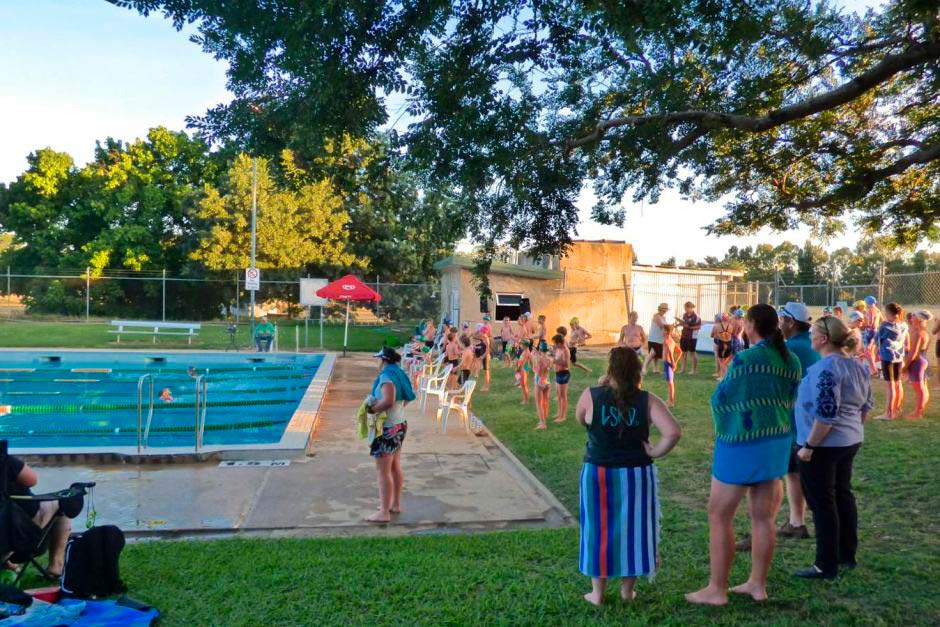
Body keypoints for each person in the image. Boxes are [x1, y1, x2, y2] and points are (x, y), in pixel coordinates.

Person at [686, 304, 802, 606]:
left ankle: (716, 589)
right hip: (776, 442)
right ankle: (757, 584)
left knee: (719, 514)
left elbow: (722, 397)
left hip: (741, 443)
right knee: (764, 518)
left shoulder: (746, 360)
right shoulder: (792, 361)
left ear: (750, 325)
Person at [577, 347, 682, 606]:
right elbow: (673, 432)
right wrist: (655, 451)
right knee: (634, 530)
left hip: (598, 472)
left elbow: (582, 420)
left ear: (610, 369)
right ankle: (627, 591)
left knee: (597, 529)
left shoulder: (591, 395)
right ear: (637, 370)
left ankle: (597, 594)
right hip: (636, 474)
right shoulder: (648, 399)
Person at [794, 316, 872, 579]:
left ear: (824, 339)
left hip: (824, 445)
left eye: (813, 332)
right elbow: (865, 407)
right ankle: (846, 555)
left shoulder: (825, 369)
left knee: (823, 503)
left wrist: (809, 446)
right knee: (842, 496)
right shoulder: (858, 366)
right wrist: (851, 431)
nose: (810, 337)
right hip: (849, 440)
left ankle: (825, 564)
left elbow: (826, 414)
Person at [775, 303, 820, 543]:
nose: (779, 323)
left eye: (781, 318)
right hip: (812, 418)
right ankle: (796, 520)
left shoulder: (790, 347)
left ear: (791, 322)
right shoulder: (809, 343)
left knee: (796, 472)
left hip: (796, 420)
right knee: (795, 472)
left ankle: (799, 521)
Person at [364, 346, 415, 523]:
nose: (377, 362)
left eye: (378, 359)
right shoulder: (399, 373)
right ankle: (395, 504)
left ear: (384, 360)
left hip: (387, 429)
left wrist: (372, 410)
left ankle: (384, 512)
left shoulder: (386, 377)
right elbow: (408, 396)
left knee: (383, 471)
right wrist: (397, 411)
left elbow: (388, 400)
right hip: (399, 425)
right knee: (395, 467)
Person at [3, 456, 70, 577]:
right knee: (63, 502)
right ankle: (56, 565)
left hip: (7, 540)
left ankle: (5, 562)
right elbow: (32, 480)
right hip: (18, 541)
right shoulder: (5, 460)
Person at [874, 303, 908, 420]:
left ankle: (889, 413)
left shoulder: (885, 326)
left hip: (887, 357)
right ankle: (897, 408)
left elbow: (876, 340)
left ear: (889, 314)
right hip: (899, 356)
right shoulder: (904, 325)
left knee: (890, 385)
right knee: (898, 383)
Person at [904, 310, 932, 419]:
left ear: (919, 319)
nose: (911, 317)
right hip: (923, 359)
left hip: (918, 362)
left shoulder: (919, 333)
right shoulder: (923, 332)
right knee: (923, 387)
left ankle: (918, 413)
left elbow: (913, 353)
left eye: (914, 316)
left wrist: (905, 367)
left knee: (919, 389)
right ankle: (919, 409)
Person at [676, 302, 702, 375]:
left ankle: (693, 370)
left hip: (692, 336)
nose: (685, 309)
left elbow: (699, 326)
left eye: (686, 308)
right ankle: (682, 369)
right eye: (684, 308)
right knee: (683, 352)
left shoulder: (696, 316)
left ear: (690, 307)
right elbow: (685, 323)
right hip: (684, 335)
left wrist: (689, 327)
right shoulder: (685, 315)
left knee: (692, 352)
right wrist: (679, 323)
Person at [643, 303, 669, 375]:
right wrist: (669, 327)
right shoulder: (656, 316)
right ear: (660, 310)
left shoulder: (663, 317)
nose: (664, 311)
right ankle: (644, 368)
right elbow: (661, 326)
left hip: (660, 339)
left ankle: (655, 369)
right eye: (663, 310)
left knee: (656, 355)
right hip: (654, 338)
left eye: (665, 310)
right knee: (652, 353)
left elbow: (665, 327)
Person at [532, 342, 553, 430]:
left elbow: (536, 370)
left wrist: (534, 358)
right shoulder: (551, 359)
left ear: (540, 349)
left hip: (539, 381)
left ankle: (543, 423)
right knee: (545, 401)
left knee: (539, 403)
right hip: (547, 380)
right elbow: (548, 369)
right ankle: (544, 417)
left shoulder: (539, 359)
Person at [552, 334, 571, 423]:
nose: (554, 344)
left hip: (564, 374)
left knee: (563, 396)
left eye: (555, 343)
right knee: (559, 396)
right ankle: (559, 413)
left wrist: (555, 361)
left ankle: (563, 416)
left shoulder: (566, 350)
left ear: (560, 343)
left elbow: (567, 365)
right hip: (558, 373)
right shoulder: (558, 349)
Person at [863, 296, 884, 376]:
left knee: (867, 352)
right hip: (876, 332)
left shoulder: (870, 310)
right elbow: (883, 321)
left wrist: (863, 324)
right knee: (871, 352)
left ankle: (874, 369)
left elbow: (870, 323)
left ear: (868, 303)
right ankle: (873, 369)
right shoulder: (878, 311)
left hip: (870, 332)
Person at [662, 324, 682, 407]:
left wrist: (673, 363)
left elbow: (670, 351)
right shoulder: (672, 341)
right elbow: (680, 352)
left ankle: (671, 401)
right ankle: (669, 399)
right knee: (670, 382)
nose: (662, 332)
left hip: (668, 363)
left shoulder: (666, 341)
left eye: (663, 330)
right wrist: (675, 362)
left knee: (670, 383)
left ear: (667, 331)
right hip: (669, 363)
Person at [711, 313, 734, 380]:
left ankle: (723, 376)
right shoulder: (731, 326)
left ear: (721, 318)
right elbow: (731, 334)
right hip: (729, 344)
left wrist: (718, 334)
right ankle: (723, 375)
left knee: (721, 361)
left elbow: (712, 335)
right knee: (725, 362)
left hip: (721, 343)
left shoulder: (716, 326)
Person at [515, 339, 533, 404]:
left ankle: (526, 400)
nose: (520, 345)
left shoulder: (526, 352)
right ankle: (525, 398)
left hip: (523, 369)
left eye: (521, 344)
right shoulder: (525, 351)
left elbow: (524, 362)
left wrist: (518, 368)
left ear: (525, 345)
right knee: (523, 385)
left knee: (524, 385)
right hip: (522, 369)